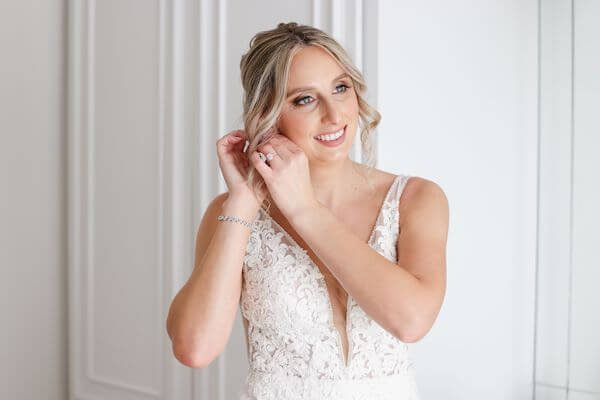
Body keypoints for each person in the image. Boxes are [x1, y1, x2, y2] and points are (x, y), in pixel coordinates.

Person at [166, 22, 448, 399]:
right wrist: (244, 200)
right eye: (304, 99)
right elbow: (195, 348)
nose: (334, 115)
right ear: (267, 112)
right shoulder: (233, 211)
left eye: (340, 88)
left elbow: (411, 321)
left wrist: (305, 209)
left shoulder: (416, 199)